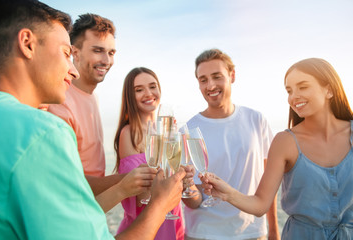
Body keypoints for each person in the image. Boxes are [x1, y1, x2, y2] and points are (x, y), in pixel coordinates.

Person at [0, 0, 185, 239]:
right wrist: (159, 204)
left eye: (111, 52)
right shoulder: (44, 129)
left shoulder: (89, 101)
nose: (71, 71)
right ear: (27, 43)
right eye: (65, 53)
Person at [200, 58, 353, 239]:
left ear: (328, 90)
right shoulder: (284, 141)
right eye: (289, 90)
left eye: (303, 87)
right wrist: (227, 193)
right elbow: (260, 204)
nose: (293, 97)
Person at [47, 13, 155, 197]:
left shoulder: (93, 96)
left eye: (111, 52)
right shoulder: (60, 104)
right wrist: (134, 178)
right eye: (97, 50)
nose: (106, 60)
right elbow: (64, 181)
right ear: (75, 52)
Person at [182, 49, 280, 240]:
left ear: (232, 76)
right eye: (203, 80)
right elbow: (194, 201)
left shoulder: (256, 120)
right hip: (202, 234)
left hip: (252, 232)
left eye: (217, 77)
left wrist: (274, 230)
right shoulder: (187, 131)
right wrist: (186, 187)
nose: (210, 85)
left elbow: (269, 184)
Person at [113, 67, 192, 239]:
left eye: (152, 86)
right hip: (147, 224)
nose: (148, 93)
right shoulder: (129, 133)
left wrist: (183, 176)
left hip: (172, 219)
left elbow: (175, 183)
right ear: (130, 97)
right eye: (139, 90)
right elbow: (140, 194)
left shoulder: (167, 131)